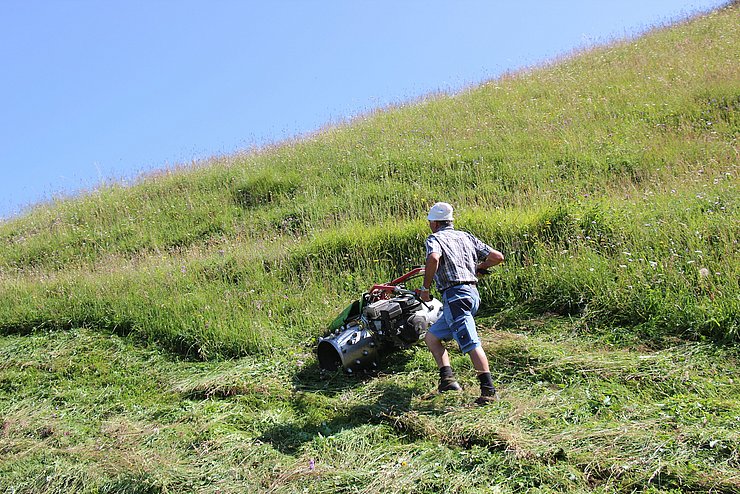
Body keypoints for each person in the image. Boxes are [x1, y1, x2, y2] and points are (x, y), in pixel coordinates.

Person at [418, 202, 504, 405]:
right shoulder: (465, 236)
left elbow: (433, 258)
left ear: (435, 223)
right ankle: (448, 380)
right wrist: (478, 268)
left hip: (456, 297)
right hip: (471, 295)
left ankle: (489, 391)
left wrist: (426, 289)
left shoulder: (435, 238)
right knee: (432, 337)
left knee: (470, 343)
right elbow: (497, 257)